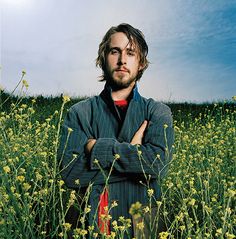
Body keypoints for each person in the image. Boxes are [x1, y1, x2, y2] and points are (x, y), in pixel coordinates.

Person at [58, 23, 174, 238]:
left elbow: (158, 165)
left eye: (130, 53)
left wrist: (96, 148)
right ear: (103, 59)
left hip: (143, 218)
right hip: (89, 219)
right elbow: (69, 174)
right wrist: (133, 155)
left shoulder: (157, 112)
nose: (122, 60)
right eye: (115, 51)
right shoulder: (79, 113)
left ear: (141, 63)